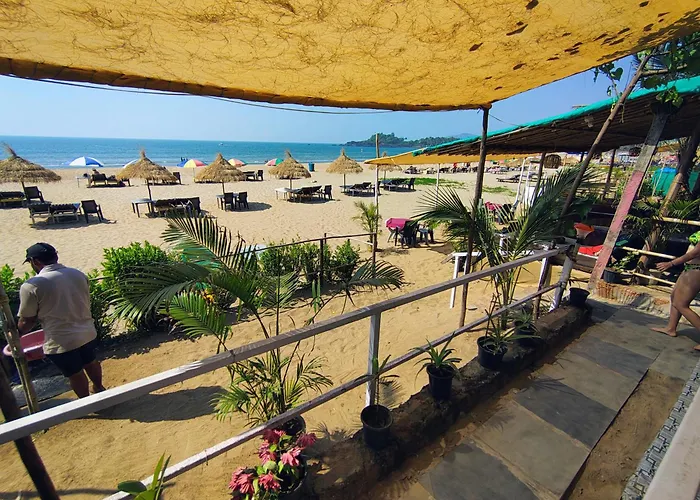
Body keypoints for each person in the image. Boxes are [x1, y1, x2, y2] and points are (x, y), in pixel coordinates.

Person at [18, 243, 105, 397]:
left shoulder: (32, 285)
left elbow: (27, 321)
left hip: (62, 340)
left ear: (35, 261)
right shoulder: (77, 274)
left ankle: (86, 401)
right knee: (90, 361)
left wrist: (16, 333)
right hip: (87, 332)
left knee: (75, 373)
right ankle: (99, 388)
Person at [652, 230, 700, 351]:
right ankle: (671, 328)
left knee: (681, 304)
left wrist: (671, 263)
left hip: (696, 270)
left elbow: (695, 253)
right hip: (691, 268)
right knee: (674, 297)